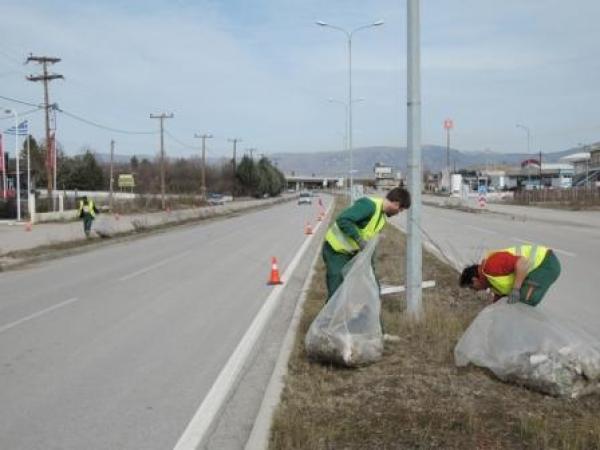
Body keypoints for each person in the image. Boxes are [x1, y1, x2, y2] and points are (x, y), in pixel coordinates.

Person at [322, 187, 411, 300]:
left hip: (351, 253)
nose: (398, 213)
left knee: (370, 287)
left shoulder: (381, 218)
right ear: (396, 203)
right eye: (400, 209)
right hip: (335, 251)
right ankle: (331, 317)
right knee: (336, 292)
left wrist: (371, 269)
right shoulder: (369, 206)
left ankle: (367, 316)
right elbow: (343, 220)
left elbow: (369, 244)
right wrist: (359, 240)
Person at [459, 243, 561, 306]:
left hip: (544, 263)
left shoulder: (492, 264)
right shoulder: (492, 283)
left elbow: (522, 263)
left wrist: (516, 289)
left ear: (474, 280)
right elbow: (500, 300)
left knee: (524, 302)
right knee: (513, 304)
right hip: (539, 267)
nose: (476, 290)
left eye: (472, 287)